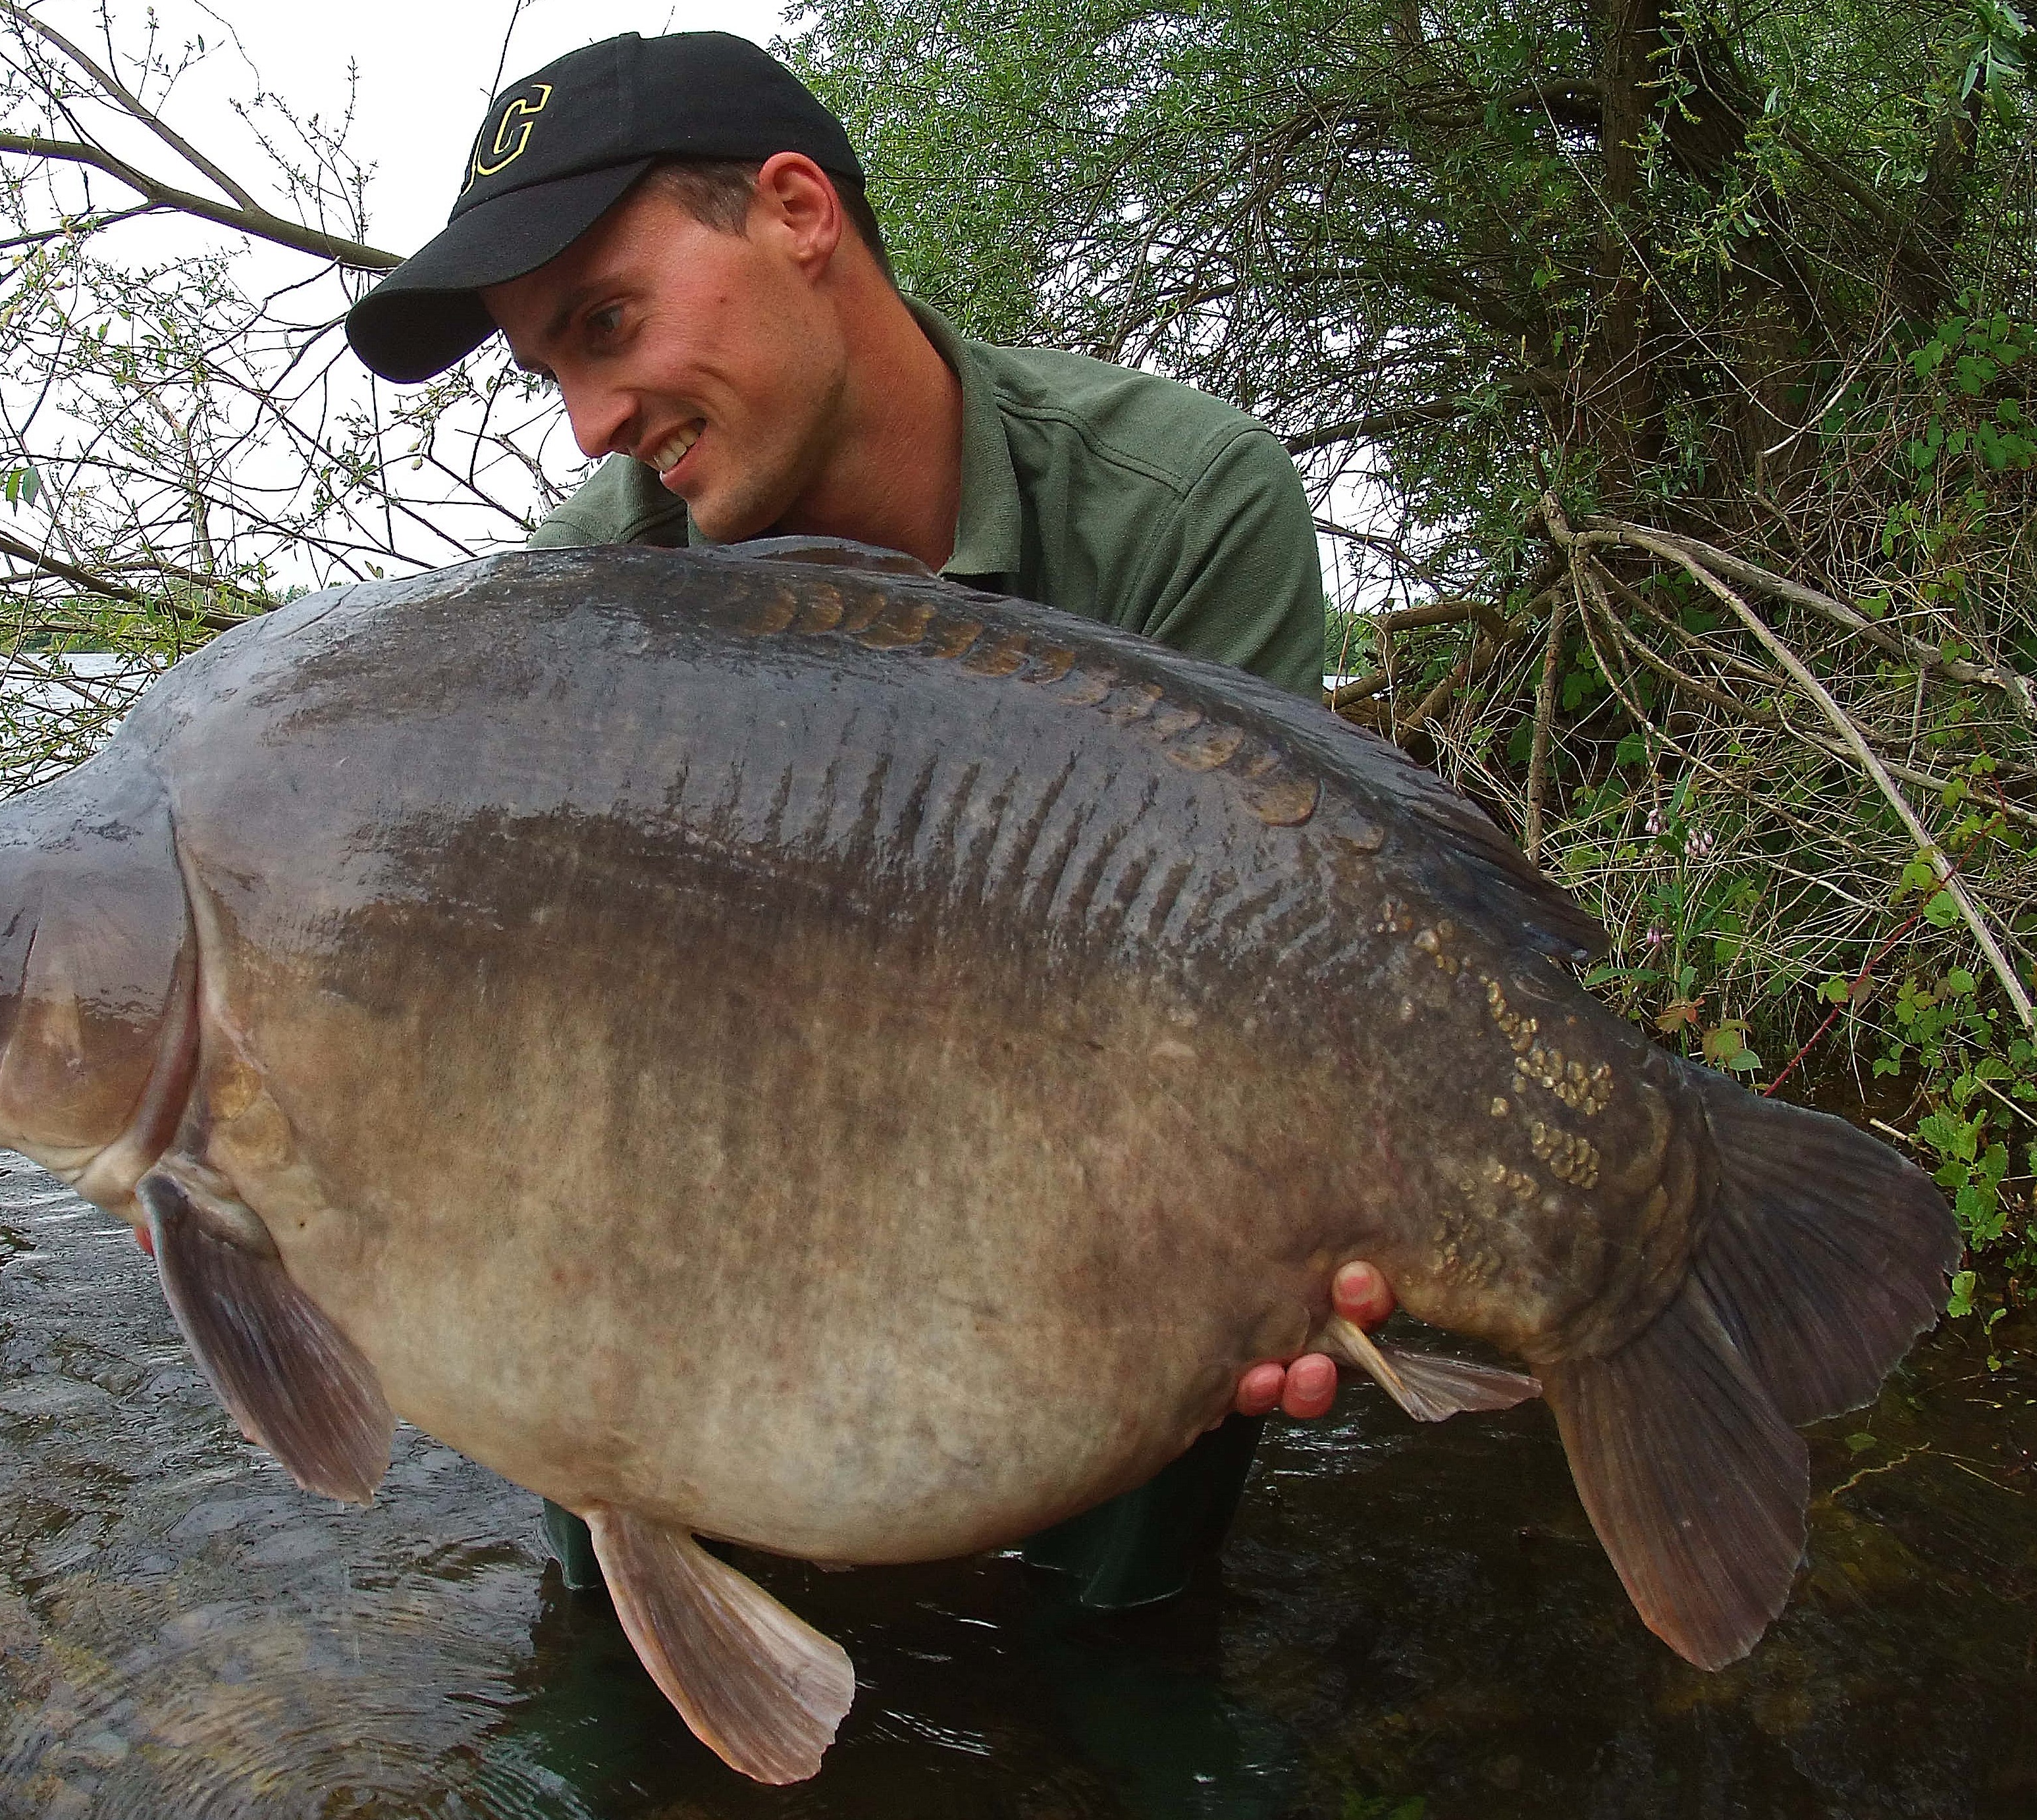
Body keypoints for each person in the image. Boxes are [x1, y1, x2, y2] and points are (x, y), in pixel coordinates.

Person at [344, 30, 1396, 1612]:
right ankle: (632, 1651)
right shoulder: (588, 602)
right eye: (549, 371)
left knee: (1194, 1342)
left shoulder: (1184, 505)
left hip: (1105, 1170)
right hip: (717, 1184)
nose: (585, 423)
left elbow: (1266, 974)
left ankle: (1119, 1662)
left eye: (607, 326)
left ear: (797, 214)